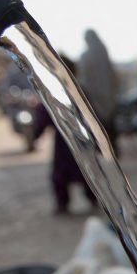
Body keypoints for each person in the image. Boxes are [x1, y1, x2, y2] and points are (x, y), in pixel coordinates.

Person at [32, 55, 98, 215]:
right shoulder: (80, 88)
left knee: (63, 175)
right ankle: (91, 200)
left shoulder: (53, 90)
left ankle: (65, 204)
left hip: (66, 140)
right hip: (79, 139)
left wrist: (36, 134)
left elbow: (43, 116)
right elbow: (94, 116)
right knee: (86, 172)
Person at [78, 29, 120, 152]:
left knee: (98, 120)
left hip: (94, 93)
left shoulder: (85, 56)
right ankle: (112, 147)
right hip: (107, 92)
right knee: (108, 120)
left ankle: (103, 147)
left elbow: (83, 75)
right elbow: (112, 73)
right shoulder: (103, 52)